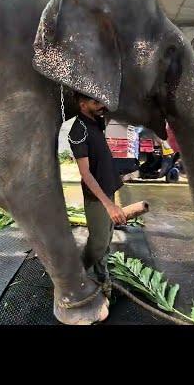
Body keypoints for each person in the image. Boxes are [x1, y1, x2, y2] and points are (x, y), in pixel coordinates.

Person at [68, 92, 126, 282]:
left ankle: (102, 277)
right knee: (99, 243)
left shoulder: (96, 122)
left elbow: (109, 109)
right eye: (96, 102)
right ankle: (76, 276)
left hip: (107, 190)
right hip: (97, 196)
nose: (102, 105)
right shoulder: (78, 130)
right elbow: (85, 173)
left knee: (107, 238)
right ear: (83, 105)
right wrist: (109, 205)